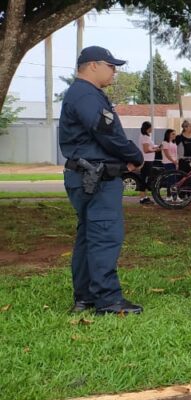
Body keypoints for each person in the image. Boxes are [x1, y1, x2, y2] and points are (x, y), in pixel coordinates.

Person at [58, 45, 145, 315]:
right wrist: (134, 155)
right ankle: (107, 300)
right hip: (96, 180)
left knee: (88, 236)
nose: (114, 72)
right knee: (105, 235)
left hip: (86, 176)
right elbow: (105, 133)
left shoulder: (82, 94)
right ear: (93, 65)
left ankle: (85, 298)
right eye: (111, 66)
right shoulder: (86, 94)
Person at [138, 121, 159, 204]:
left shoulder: (147, 137)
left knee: (146, 179)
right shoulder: (145, 137)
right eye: (151, 127)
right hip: (146, 161)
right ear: (147, 128)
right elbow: (146, 150)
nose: (152, 129)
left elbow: (151, 147)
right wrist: (156, 150)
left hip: (149, 160)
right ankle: (142, 198)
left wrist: (157, 147)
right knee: (145, 179)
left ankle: (145, 197)